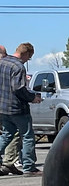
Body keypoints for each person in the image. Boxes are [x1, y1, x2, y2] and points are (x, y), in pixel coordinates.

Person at [0, 42, 43, 175]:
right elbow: (18, 88)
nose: (28, 60)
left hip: (3, 107)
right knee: (28, 136)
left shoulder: (2, 63)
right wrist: (32, 98)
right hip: (17, 108)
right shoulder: (18, 67)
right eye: (29, 57)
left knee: (6, 135)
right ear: (25, 53)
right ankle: (29, 167)